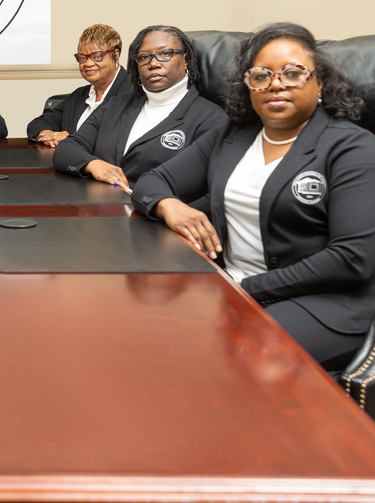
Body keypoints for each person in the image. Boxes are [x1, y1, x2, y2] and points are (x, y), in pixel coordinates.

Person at [131, 22, 375, 371]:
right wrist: (171, 207)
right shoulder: (233, 134)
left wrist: (245, 287)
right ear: (248, 86)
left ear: (320, 81)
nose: (276, 83)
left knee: (232, 360)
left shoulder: (353, 147)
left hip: (322, 301)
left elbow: (350, 259)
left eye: (293, 73)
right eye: (261, 75)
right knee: (147, 331)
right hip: (230, 285)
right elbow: (152, 182)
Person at [53, 25, 227, 191]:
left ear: (186, 59)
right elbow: (66, 149)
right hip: (99, 212)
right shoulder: (116, 105)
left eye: (165, 54)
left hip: (156, 218)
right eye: (144, 57)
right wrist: (93, 164)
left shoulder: (213, 120)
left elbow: (205, 189)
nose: (153, 64)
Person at [26, 23, 129, 146]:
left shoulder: (134, 93)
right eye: (82, 57)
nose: (88, 63)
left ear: (115, 55)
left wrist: (69, 140)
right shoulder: (79, 95)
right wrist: (50, 136)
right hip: (69, 164)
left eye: (96, 56)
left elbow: (113, 140)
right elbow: (36, 124)